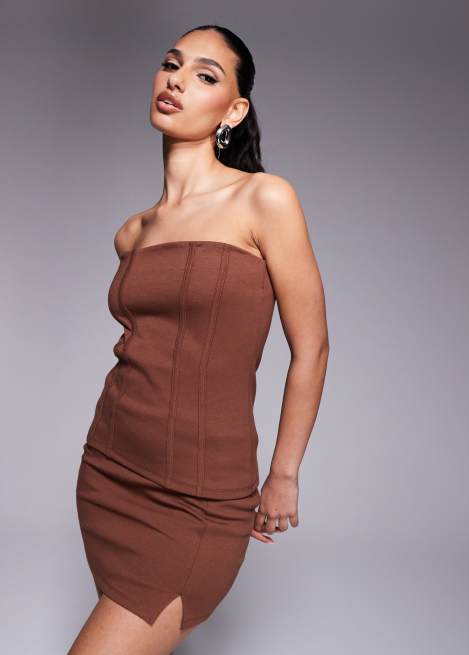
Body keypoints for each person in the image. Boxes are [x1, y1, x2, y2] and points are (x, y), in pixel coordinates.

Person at [68, 23, 329, 655]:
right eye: (171, 65)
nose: (178, 80)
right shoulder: (133, 233)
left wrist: (284, 474)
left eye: (205, 75)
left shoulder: (265, 199)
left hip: (199, 499)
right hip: (108, 473)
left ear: (234, 111)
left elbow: (312, 347)